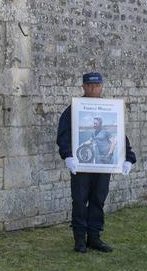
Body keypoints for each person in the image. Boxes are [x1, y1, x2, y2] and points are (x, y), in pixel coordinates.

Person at [57, 72, 136, 253]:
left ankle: (94, 237)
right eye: (90, 86)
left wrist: (128, 157)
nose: (94, 89)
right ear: (83, 87)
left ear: (102, 87)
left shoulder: (109, 109)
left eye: (97, 86)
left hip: (103, 166)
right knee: (79, 200)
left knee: (98, 200)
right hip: (81, 166)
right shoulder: (73, 110)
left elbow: (120, 137)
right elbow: (64, 135)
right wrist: (68, 155)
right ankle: (79, 239)